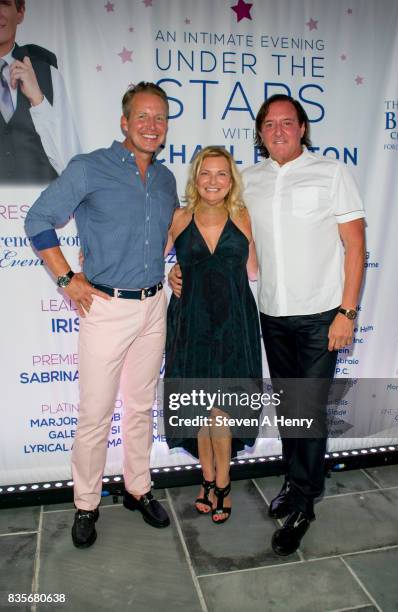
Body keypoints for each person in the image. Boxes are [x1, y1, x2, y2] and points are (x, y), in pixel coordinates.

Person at [169, 94, 365, 553]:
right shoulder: (247, 184)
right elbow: (216, 240)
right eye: (269, 124)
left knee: (310, 410)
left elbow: (355, 247)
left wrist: (348, 312)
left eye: (287, 123)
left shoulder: (332, 173)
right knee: (292, 410)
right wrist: (179, 271)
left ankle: (303, 501)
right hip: (270, 315)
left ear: (302, 128)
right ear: (259, 133)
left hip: (322, 315)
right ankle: (296, 484)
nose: (278, 131)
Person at [25, 81, 179, 548]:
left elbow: (165, 233)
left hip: (155, 307)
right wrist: (68, 279)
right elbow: (37, 220)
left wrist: (173, 271)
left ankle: (138, 488)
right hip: (106, 307)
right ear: (124, 121)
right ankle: (87, 504)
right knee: (94, 414)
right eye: (143, 117)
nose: (152, 126)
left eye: (160, 118)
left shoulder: (167, 178)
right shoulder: (90, 167)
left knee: (140, 407)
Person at [164, 146, 262, 524]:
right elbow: (150, 261)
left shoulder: (242, 215)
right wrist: (170, 276)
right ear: (195, 177)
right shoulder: (178, 217)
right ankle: (206, 477)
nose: (213, 181)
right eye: (206, 173)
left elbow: (253, 269)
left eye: (222, 174)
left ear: (231, 180)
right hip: (190, 322)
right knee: (199, 406)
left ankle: (223, 481)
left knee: (221, 407)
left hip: (233, 322)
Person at [0, 0, 80, 184]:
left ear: (20, 13)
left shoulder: (48, 73)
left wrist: (38, 99)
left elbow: (72, 164)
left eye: (3, 3)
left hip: (39, 208)